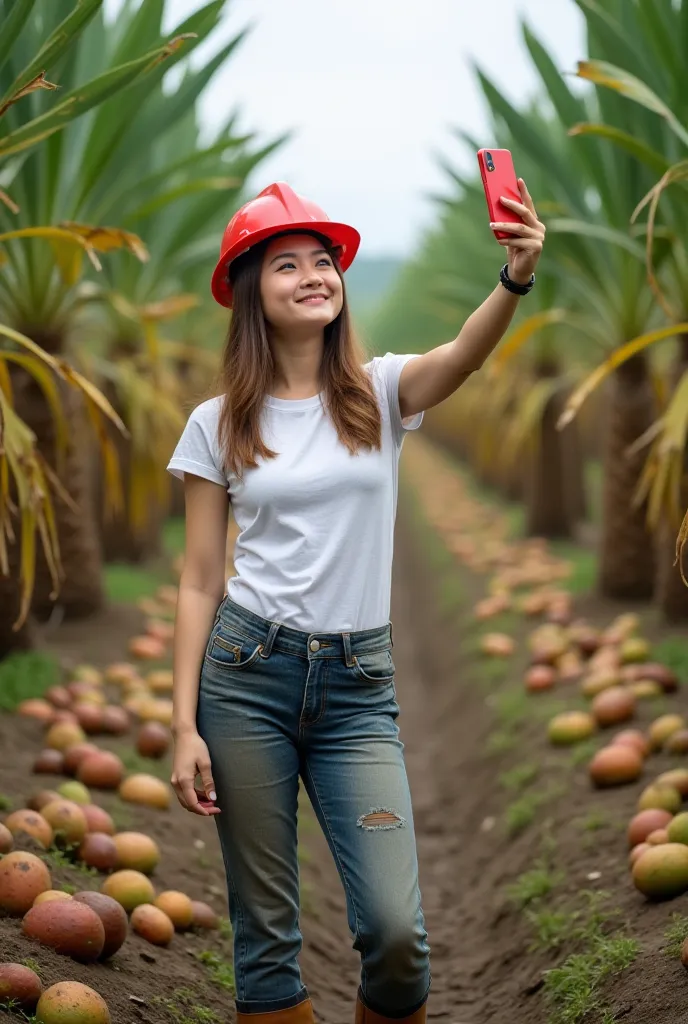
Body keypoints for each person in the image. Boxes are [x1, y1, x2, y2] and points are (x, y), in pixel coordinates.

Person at [167, 181, 545, 1024]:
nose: (314, 274)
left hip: (355, 691)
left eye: (324, 261)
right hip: (245, 678)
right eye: (288, 263)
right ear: (251, 292)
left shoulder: (377, 392)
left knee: (397, 935)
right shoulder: (217, 421)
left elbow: (463, 356)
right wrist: (182, 722)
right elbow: (198, 577)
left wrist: (515, 276)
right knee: (265, 941)